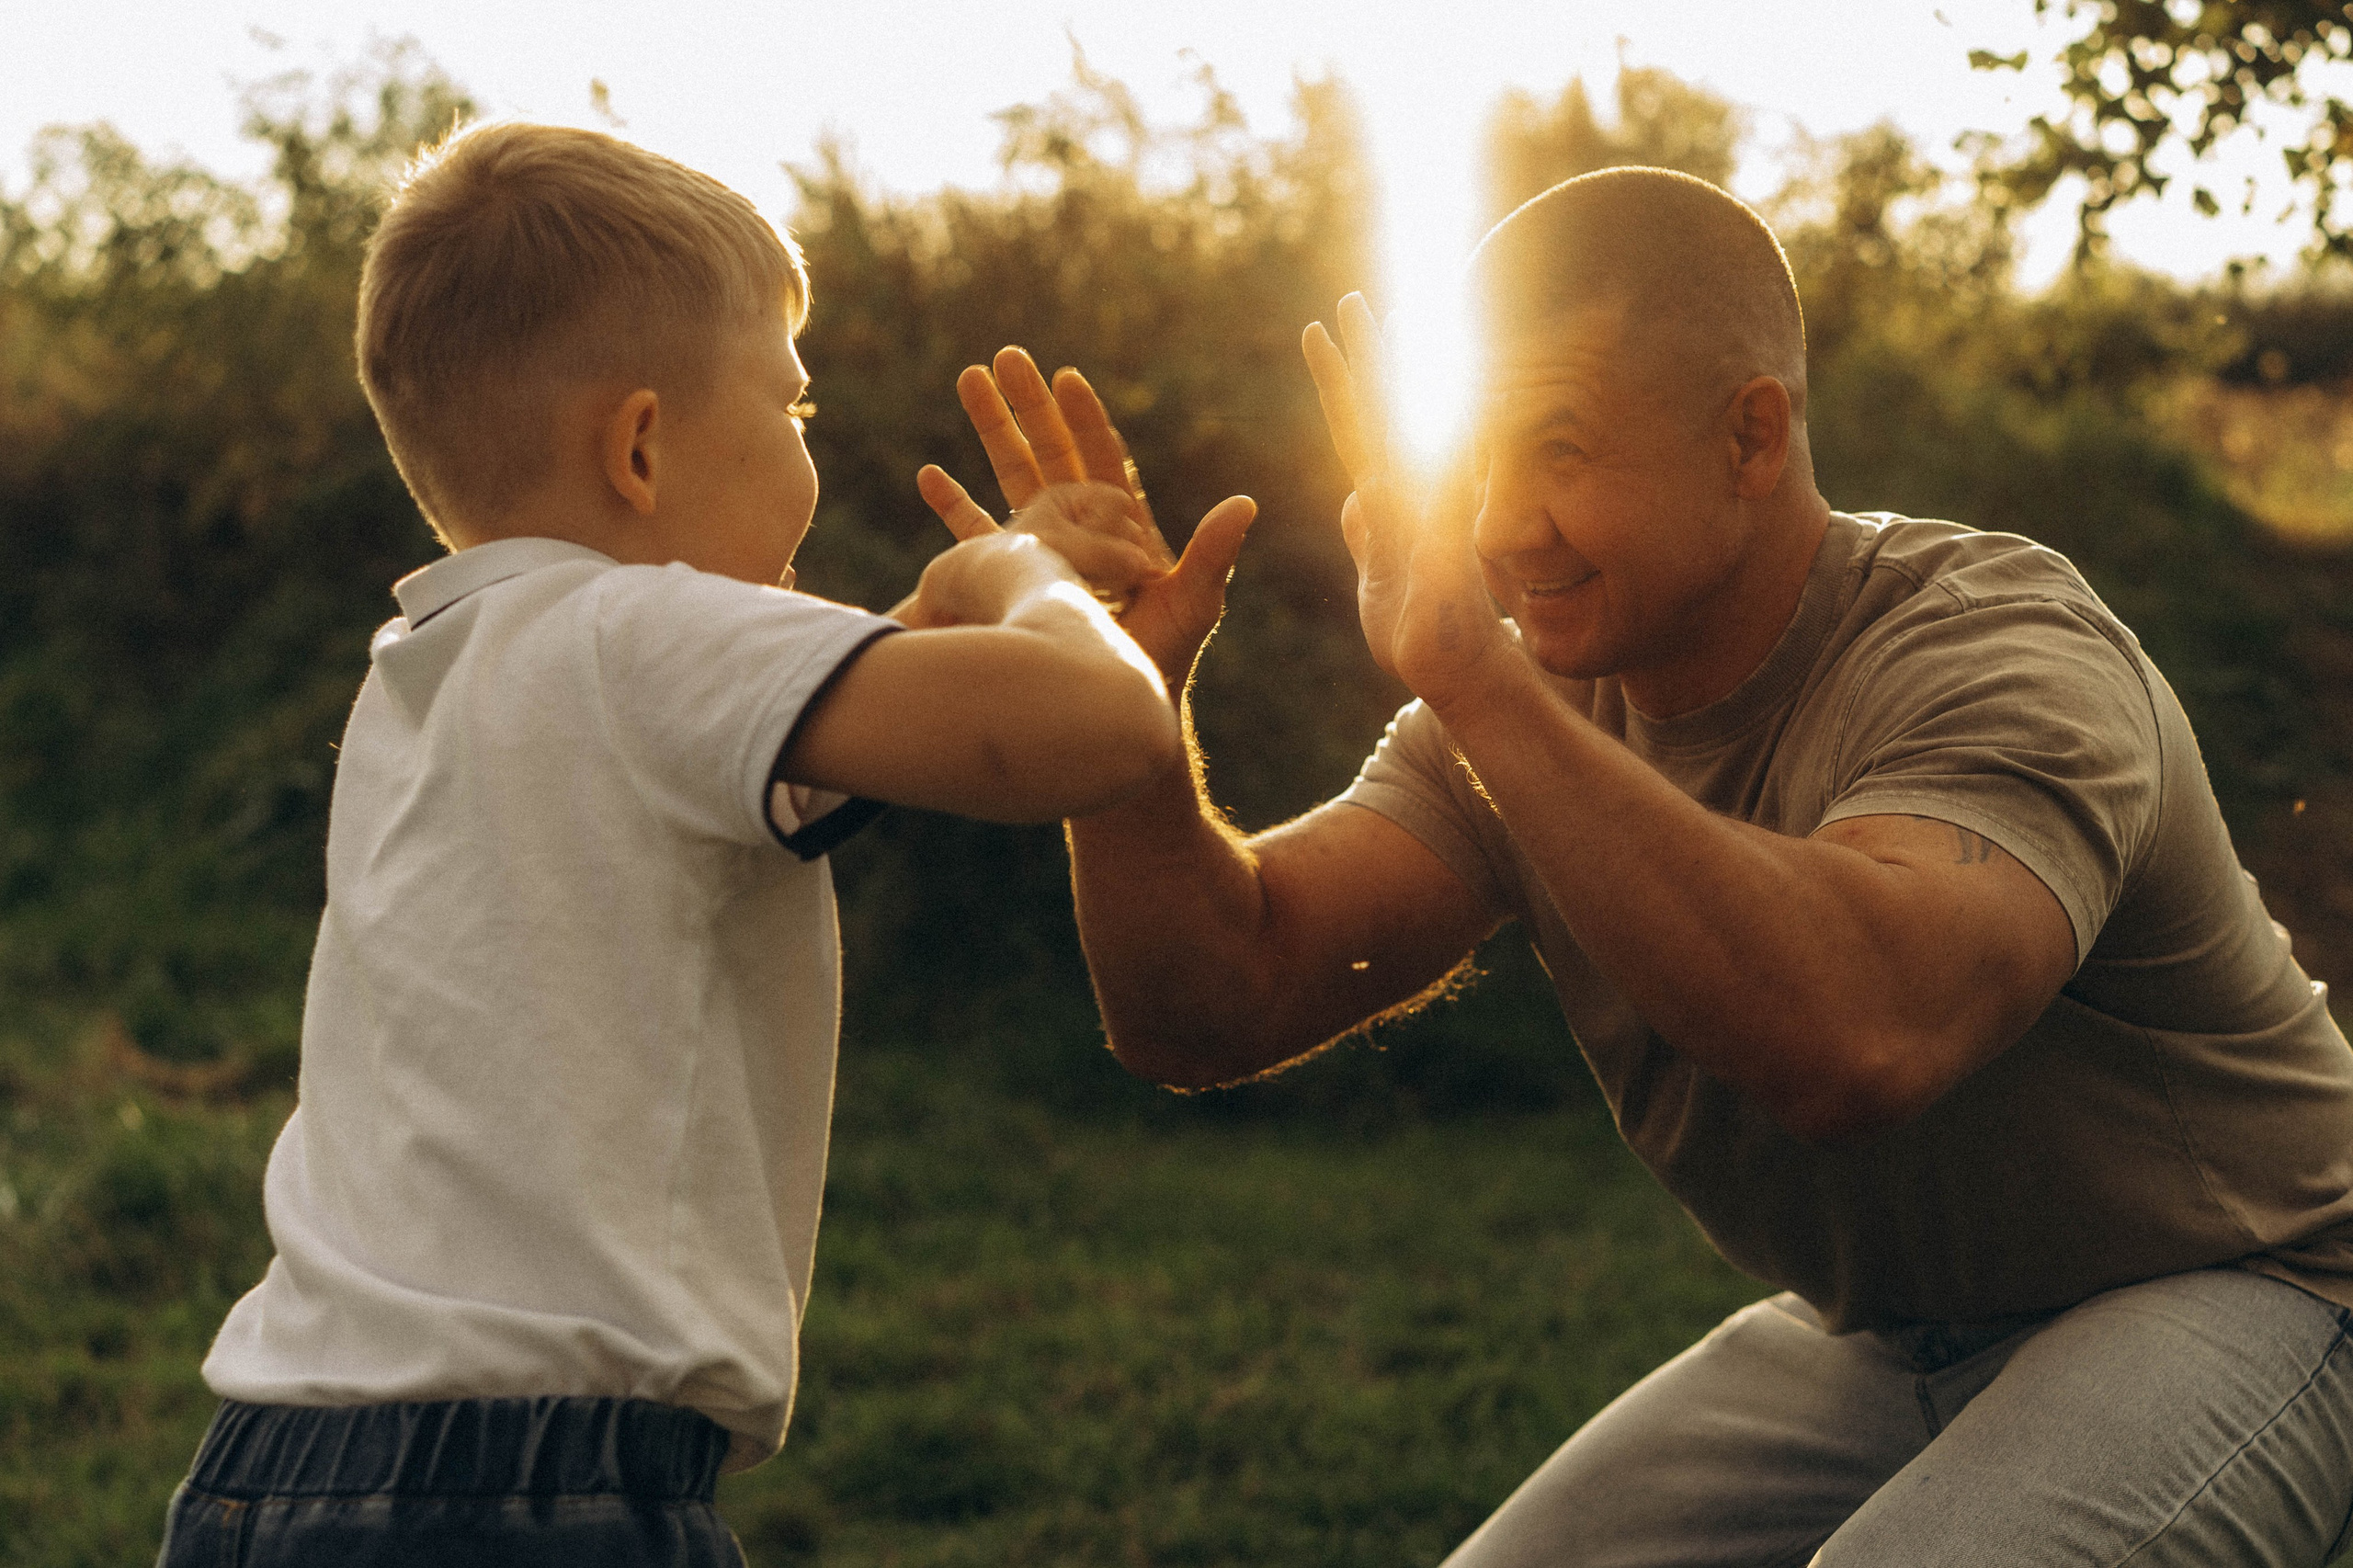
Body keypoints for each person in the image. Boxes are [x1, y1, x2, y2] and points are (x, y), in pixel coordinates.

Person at [929, 166, 2353, 1564]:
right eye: (1476, 456)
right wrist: (1123, 721)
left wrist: (1478, 681)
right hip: (1890, 1331)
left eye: (1558, 447)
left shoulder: (1997, 647)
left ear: (1751, 435)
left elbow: (1862, 1035)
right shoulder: (1519, 705)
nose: (1496, 525)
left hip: (2247, 1274)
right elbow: (1211, 1005)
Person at [155, 120, 1188, 1565]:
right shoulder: (632, 637)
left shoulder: (436, 665)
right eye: (797, 413)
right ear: (640, 445)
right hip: (528, 1491)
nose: (807, 455)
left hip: (268, 1470)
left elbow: (769, 734)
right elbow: (1106, 730)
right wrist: (1021, 571)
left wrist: (926, 632)